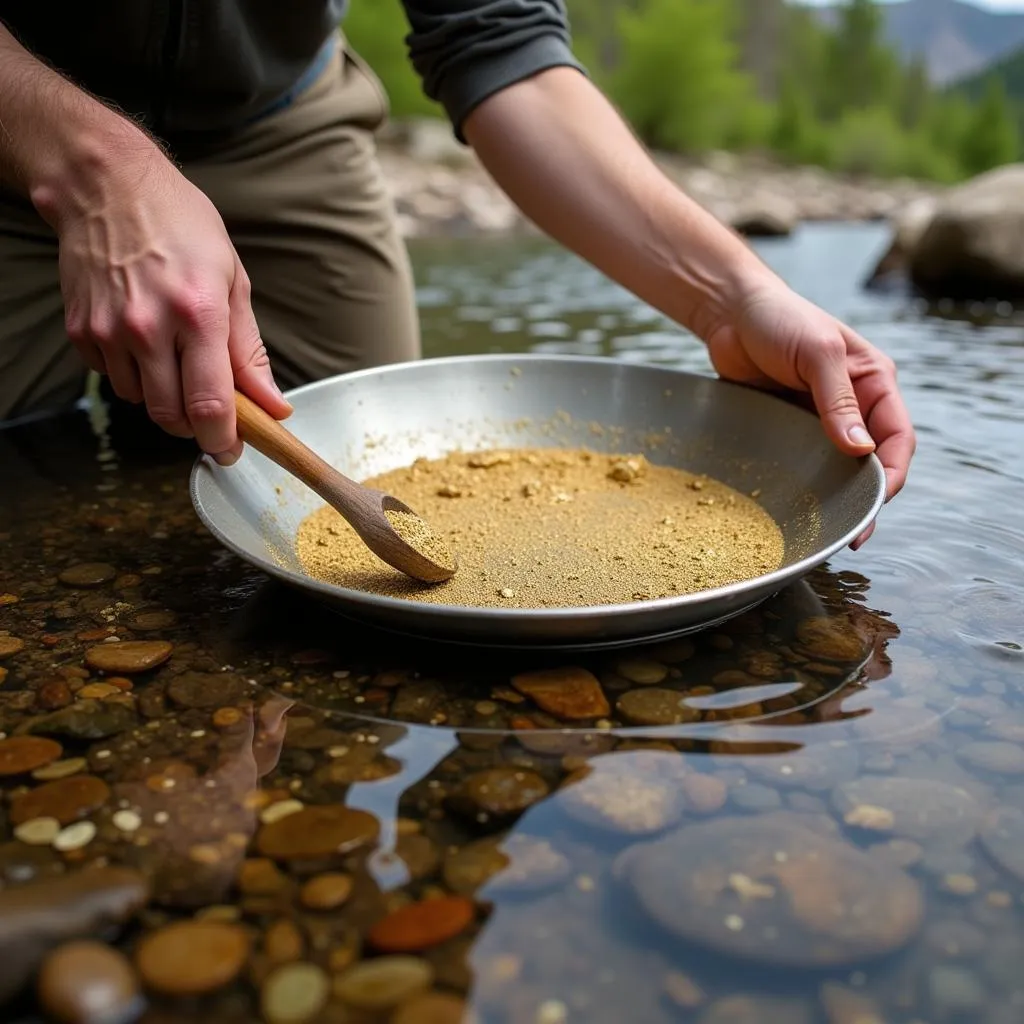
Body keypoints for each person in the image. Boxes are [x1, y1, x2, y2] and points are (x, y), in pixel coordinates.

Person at [0, 1, 914, 546]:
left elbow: (498, 39)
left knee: (348, 429)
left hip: (275, 119)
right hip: (17, 107)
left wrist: (732, 295)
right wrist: (96, 168)